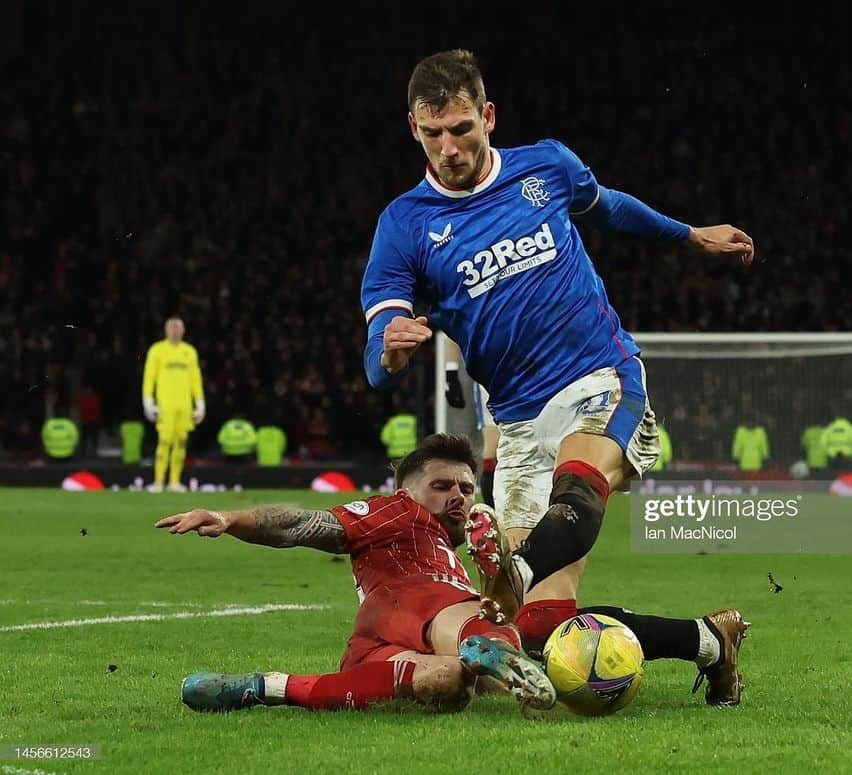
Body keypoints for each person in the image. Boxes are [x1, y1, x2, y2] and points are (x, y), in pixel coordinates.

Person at [360, 50, 752, 702]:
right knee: (542, 628)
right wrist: (391, 352)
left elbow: (611, 208)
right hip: (515, 422)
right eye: (434, 134)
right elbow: (377, 353)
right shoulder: (404, 225)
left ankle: (511, 569)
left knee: (576, 496)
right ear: (414, 130)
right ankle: (711, 640)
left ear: (488, 116)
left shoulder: (546, 166)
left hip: (601, 376)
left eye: (461, 128)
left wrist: (689, 235)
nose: (449, 147)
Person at [156, 433, 556, 714]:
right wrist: (230, 519)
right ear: (407, 491)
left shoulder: (441, 550)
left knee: (452, 683)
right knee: (475, 619)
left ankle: (264, 687)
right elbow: (300, 523)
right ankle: (495, 635)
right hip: (412, 601)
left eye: (468, 490)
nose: (458, 497)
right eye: (442, 485)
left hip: (373, 645)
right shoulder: (400, 512)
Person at [142, 317, 205, 492]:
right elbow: (149, 377)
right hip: (165, 405)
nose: (175, 330)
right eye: (172, 327)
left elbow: (195, 379)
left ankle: (175, 481)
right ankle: (158, 481)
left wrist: (200, 404)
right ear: (166, 330)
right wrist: (148, 401)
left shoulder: (189, 352)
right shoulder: (157, 350)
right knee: (164, 441)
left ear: (183, 330)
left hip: (184, 405)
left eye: (178, 327)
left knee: (181, 442)